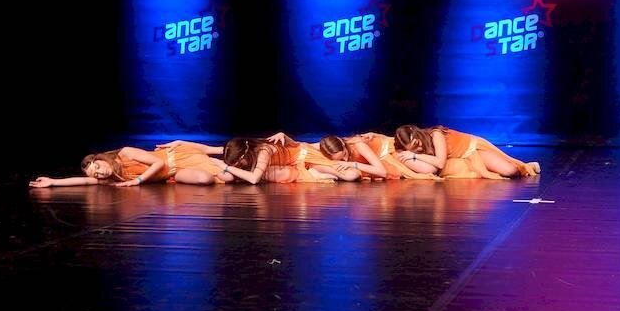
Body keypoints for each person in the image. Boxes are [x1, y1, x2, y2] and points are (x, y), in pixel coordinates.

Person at [157, 132, 359, 184]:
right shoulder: (244, 148)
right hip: (293, 162)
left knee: (349, 175)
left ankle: (322, 172)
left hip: (304, 157)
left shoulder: (263, 152)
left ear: (245, 156)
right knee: (271, 174)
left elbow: (254, 179)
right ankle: (318, 173)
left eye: (238, 163)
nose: (237, 166)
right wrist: (180, 141)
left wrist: (225, 167)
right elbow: (208, 149)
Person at [28, 143, 229, 188]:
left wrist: (137, 181)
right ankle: (214, 164)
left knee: (227, 177)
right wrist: (53, 182)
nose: (100, 173)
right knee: (205, 180)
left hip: (176, 159)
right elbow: (85, 181)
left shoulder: (125, 153)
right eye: (96, 174)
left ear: (101, 159)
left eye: (97, 167)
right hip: (173, 174)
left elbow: (158, 163)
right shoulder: (113, 178)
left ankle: (217, 160)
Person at [393, 125, 541, 179]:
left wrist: (414, 156)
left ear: (417, 134)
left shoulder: (435, 135)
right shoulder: (417, 149)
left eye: (416, 144)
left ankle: (526, 166)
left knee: (510, 170)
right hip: (462, 159)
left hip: (473, 149)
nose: (418, 149)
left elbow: (440, 163)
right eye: (413, 149)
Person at [318, 133, 442, 180]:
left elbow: (382, 171)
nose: (344, 160)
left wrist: (351, 164)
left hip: (389, 152)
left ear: (344, 145)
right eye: (341, 159)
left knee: (429, 170)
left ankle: (424, 155)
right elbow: (313, 146)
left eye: (344, 155)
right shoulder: (330, 148)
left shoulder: (358, 145)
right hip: (378, 159)